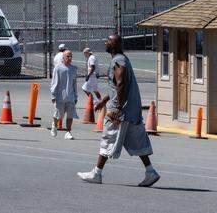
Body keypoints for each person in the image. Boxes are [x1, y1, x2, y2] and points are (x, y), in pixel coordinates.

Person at [78, 34, 159, 187]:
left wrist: (117, 108)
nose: (105, 42)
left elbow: (120, 84)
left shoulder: (118, 61)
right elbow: (117, 87)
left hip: (120, 111)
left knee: (108, 138)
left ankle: (97, 173)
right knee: (137, 142)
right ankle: (150, 172)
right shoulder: (122, 59)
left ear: (115, 45)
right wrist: (103, 101)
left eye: (108, 41)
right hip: (131, 111)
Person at [49, 49, 78, 139]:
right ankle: (54, 125)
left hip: (71, 96)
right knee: (59, 115)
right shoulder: (58, 68)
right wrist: (53, 95)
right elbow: (54, 83)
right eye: (67, 56)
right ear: (63, 58)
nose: (69, 58)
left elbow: (74, 83)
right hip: (60, 96)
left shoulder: (74, 69)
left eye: (71, 56)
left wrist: (75, 96)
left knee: (70, 115)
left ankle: (68, 132)